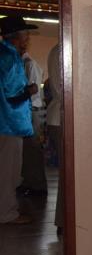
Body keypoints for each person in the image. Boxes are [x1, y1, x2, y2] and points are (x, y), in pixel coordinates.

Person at [0, 16, 38, 225]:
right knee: (8, 172)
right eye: (26, 34)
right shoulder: (11, 58)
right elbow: (13, 94)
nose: (28, 37)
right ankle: (7, 213)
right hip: (9, 122)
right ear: (17, 36)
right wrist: (30, 90)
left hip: (4, 121)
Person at [19, 46, 47, 195]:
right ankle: (28, 181)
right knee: (27, 150)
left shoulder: (30, 64)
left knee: (33, 150)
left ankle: (38, 185)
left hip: (32, 111)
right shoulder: (23, 64)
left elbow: (33, 92)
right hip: (26, 111)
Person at [45, 43, 64, 233]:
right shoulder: (61, 50)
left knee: (66, 174)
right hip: (61, 117)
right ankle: (64, 219)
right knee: (68, 174)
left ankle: (63, 219)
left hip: (57, 116)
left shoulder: (56, 49)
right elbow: (63, 90)